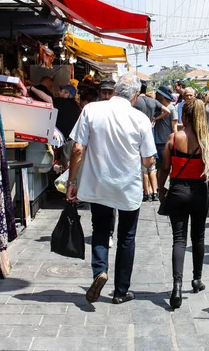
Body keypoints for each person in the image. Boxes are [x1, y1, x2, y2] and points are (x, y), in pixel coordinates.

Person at [66, 74, 156, 305]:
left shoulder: (92, 110)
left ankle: (100, 271)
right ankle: (121, 291)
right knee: (127, 237)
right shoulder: (141, 119)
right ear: (135, 96)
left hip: (98, 184)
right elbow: (148, 160)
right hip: (128, 187)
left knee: (100, 229)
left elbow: (77, 148)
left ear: (115, 89)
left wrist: (72, 181)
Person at [157, 100, 209, 309]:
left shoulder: (173, 139)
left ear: (184, 116)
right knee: (198, 236)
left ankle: (176, 285)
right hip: (199, 193)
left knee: (179, 239)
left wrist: (160, 189)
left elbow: (164, 168)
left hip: (177, 191)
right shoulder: (206, 141)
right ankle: (196, 279)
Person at [134, 90, 171, 202]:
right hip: (151, 134)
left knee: (144, 168)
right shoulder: (153, 102)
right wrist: (155, 118)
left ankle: (146, 192)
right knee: (152, 167)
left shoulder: (135, 101)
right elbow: (167, 111)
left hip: (138, 135)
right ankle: (155, 191)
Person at [154, 85, 179, 169]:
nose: (155, 94)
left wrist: (175, 144)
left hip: (165, 142)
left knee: (165, 167)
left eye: (157, 93)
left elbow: (174, 127)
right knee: (159, 167)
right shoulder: (158, 108)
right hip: (157, 142)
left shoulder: (171, 109)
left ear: (162, 96)